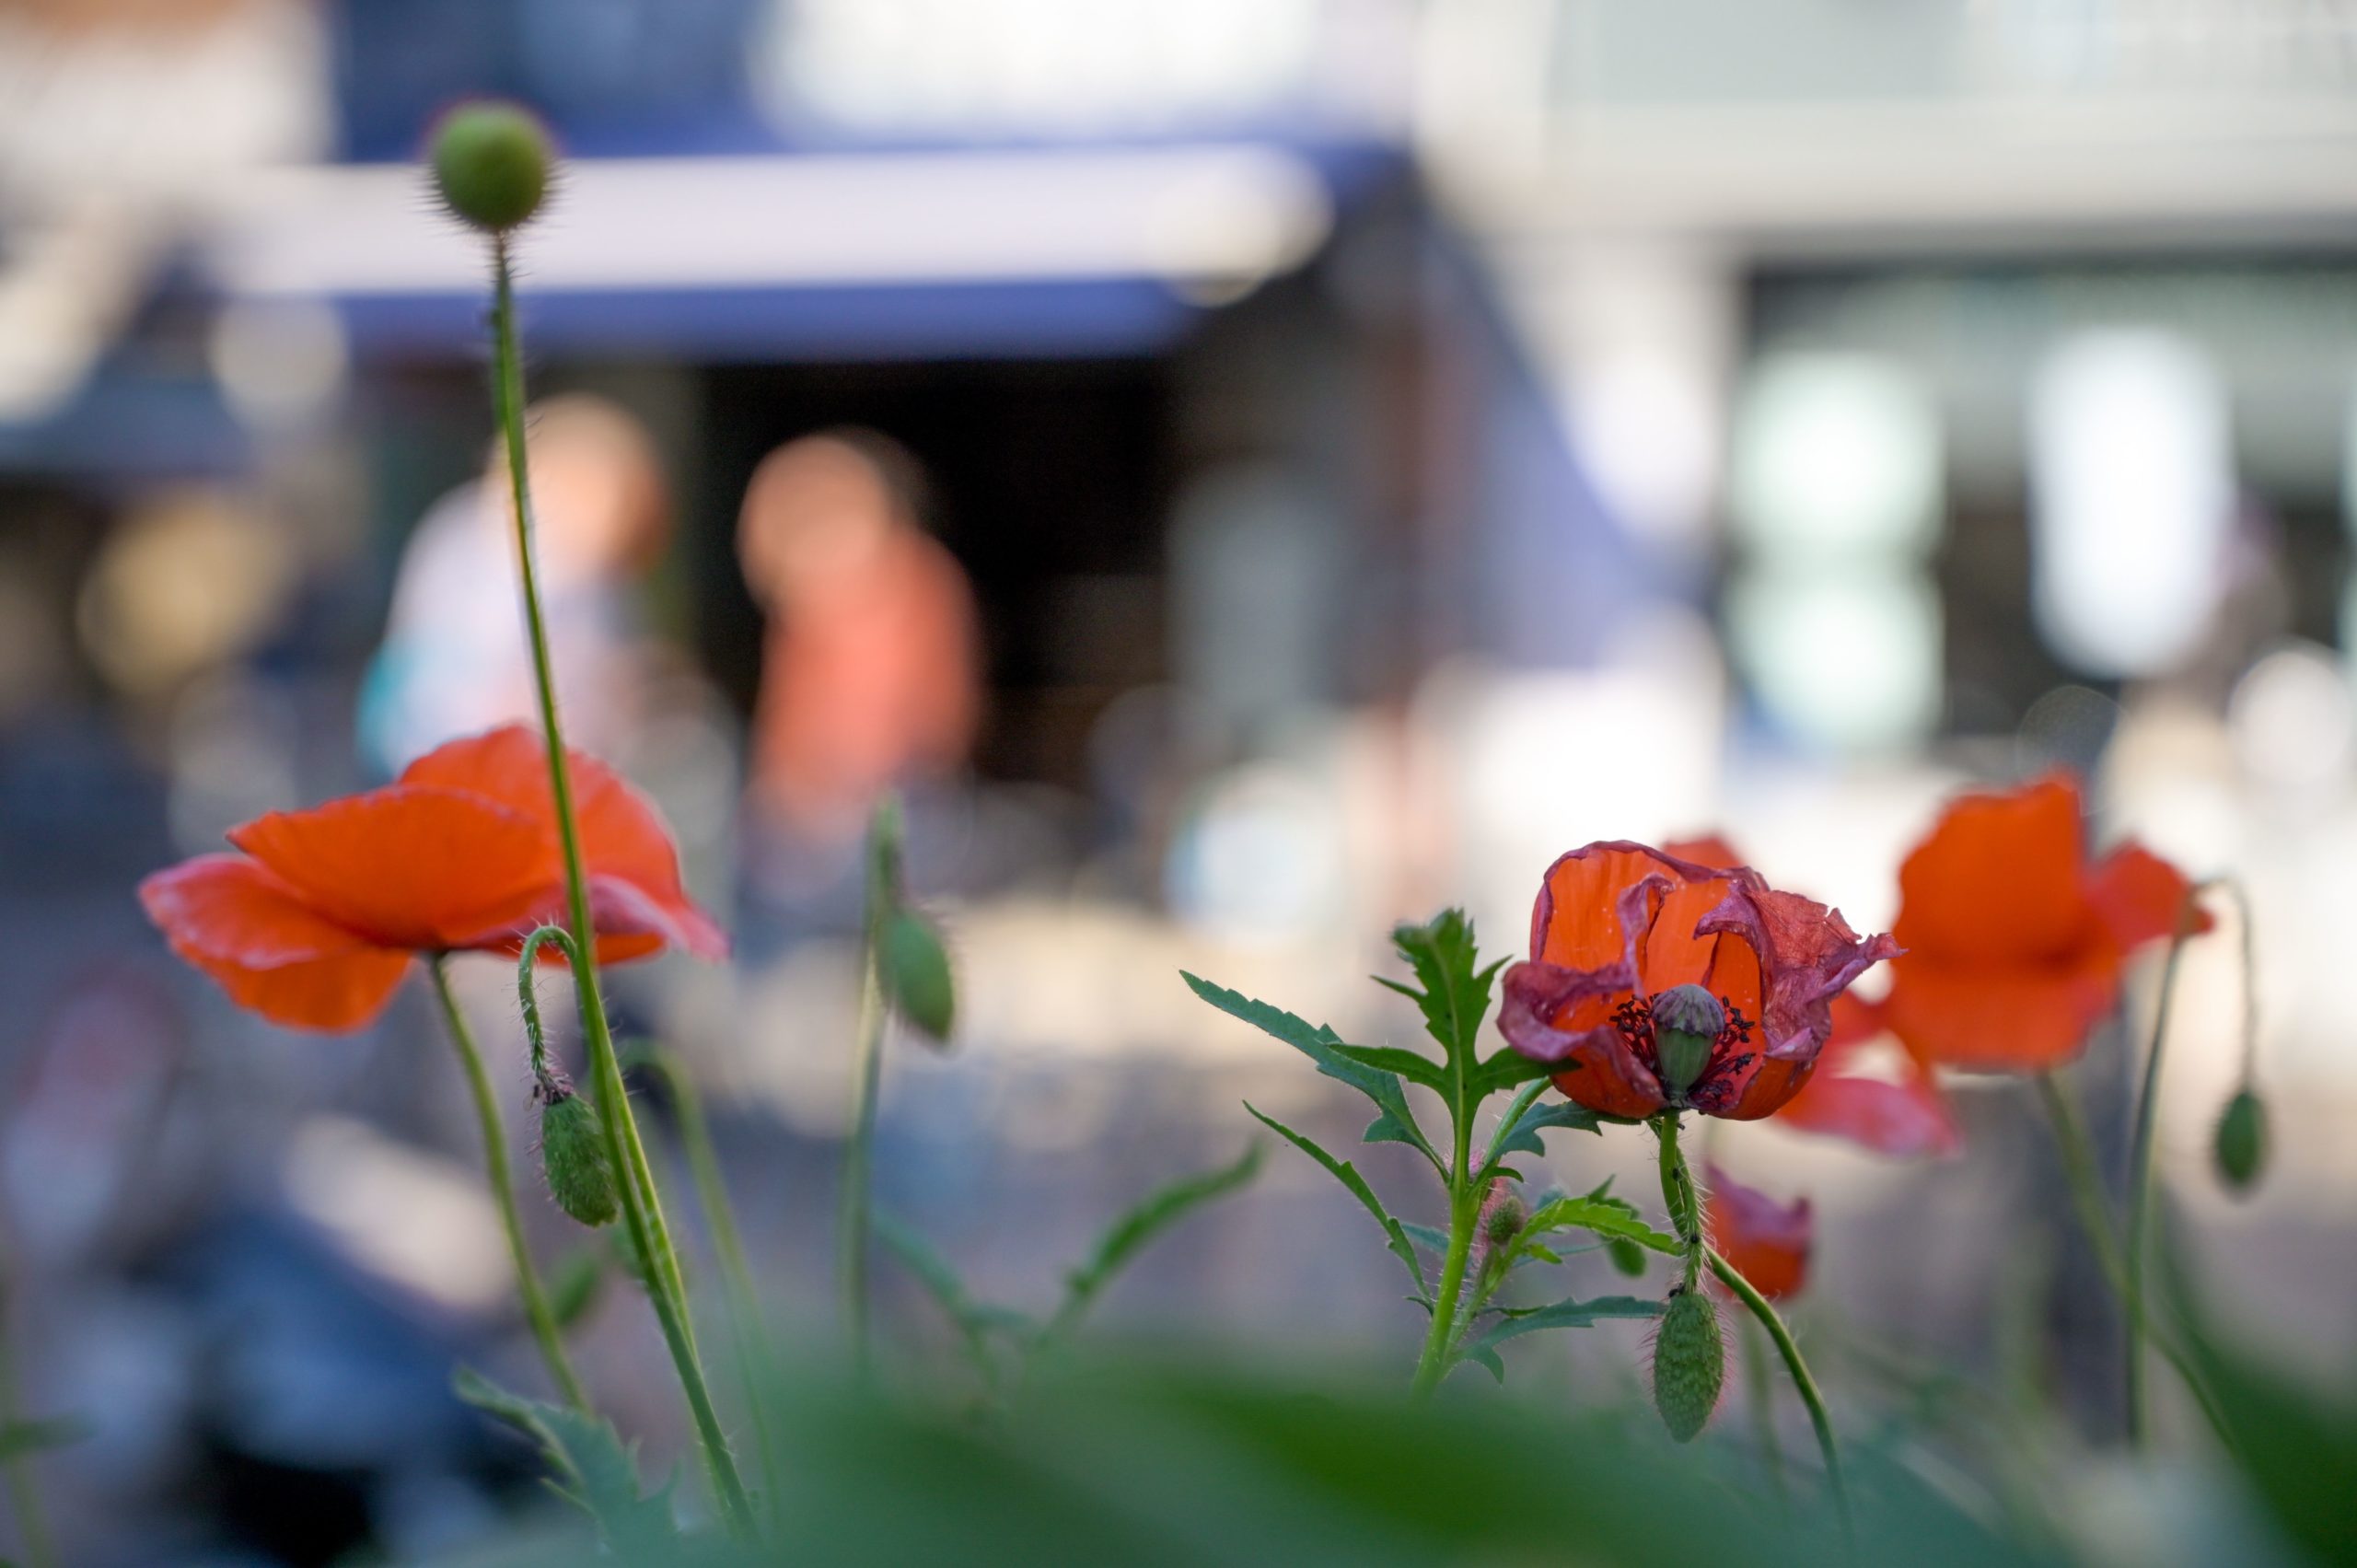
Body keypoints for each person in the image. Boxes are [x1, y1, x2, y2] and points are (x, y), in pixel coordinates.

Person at [362, 395, 671, 773]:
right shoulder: (480, 554)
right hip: (458, 767)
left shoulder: (598, 585)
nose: (609, 537)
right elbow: (449, 695)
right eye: (611, 508)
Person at [736, 431, 980, 843]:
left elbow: (928, 718)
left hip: (902, 807)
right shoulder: (799, 615)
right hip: (809, 823)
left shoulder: (915, 582)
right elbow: (784, 729)